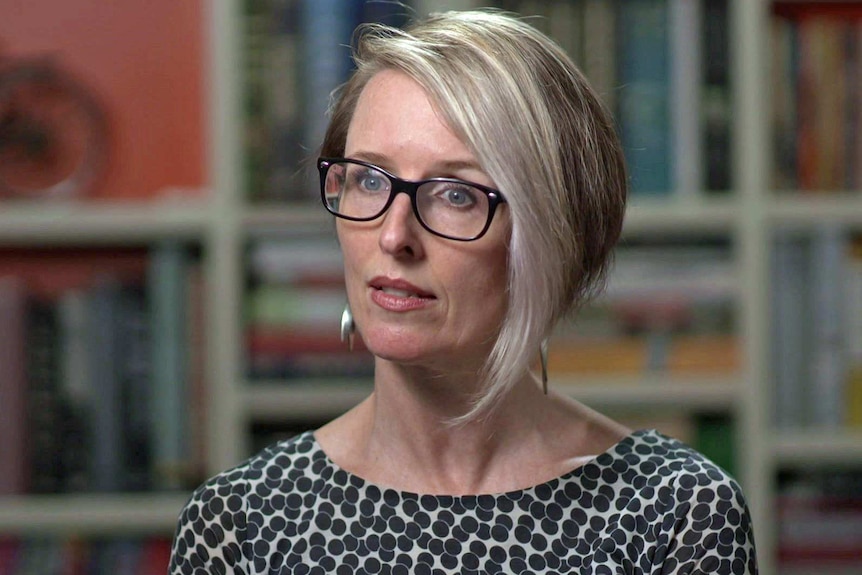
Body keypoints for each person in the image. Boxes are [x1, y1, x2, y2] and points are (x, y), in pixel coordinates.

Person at [169, 9, 757, 575]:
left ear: (552, 236)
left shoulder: (677, 515)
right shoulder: (241, 524)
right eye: (369, 180)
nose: (395, 235)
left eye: (456, 194)